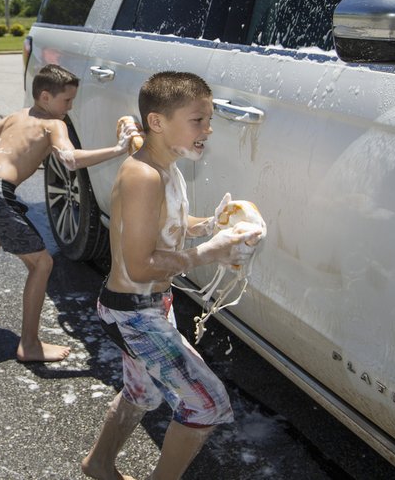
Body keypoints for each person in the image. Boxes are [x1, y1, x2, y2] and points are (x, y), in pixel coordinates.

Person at [81, 71, 265, 480]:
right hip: (132, 313)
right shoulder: (144, 176)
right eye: (198, 120)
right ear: (160, 123)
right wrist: (211, 251)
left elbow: (167, 223)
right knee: (206, 402)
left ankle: (98, 463)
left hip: (148, 305)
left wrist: (210, 224)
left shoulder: (166, 164)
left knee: (142, 393)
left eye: (209, 119)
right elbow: (141, 264)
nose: (208, 129)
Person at [0, 64, 135, 362]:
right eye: (67, 101)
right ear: (47, 97)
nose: (70, 107)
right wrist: (118, 149)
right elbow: (71, 159)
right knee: (42, 264)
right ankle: (29, 344)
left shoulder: (17, 115)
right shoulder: (54, 125)